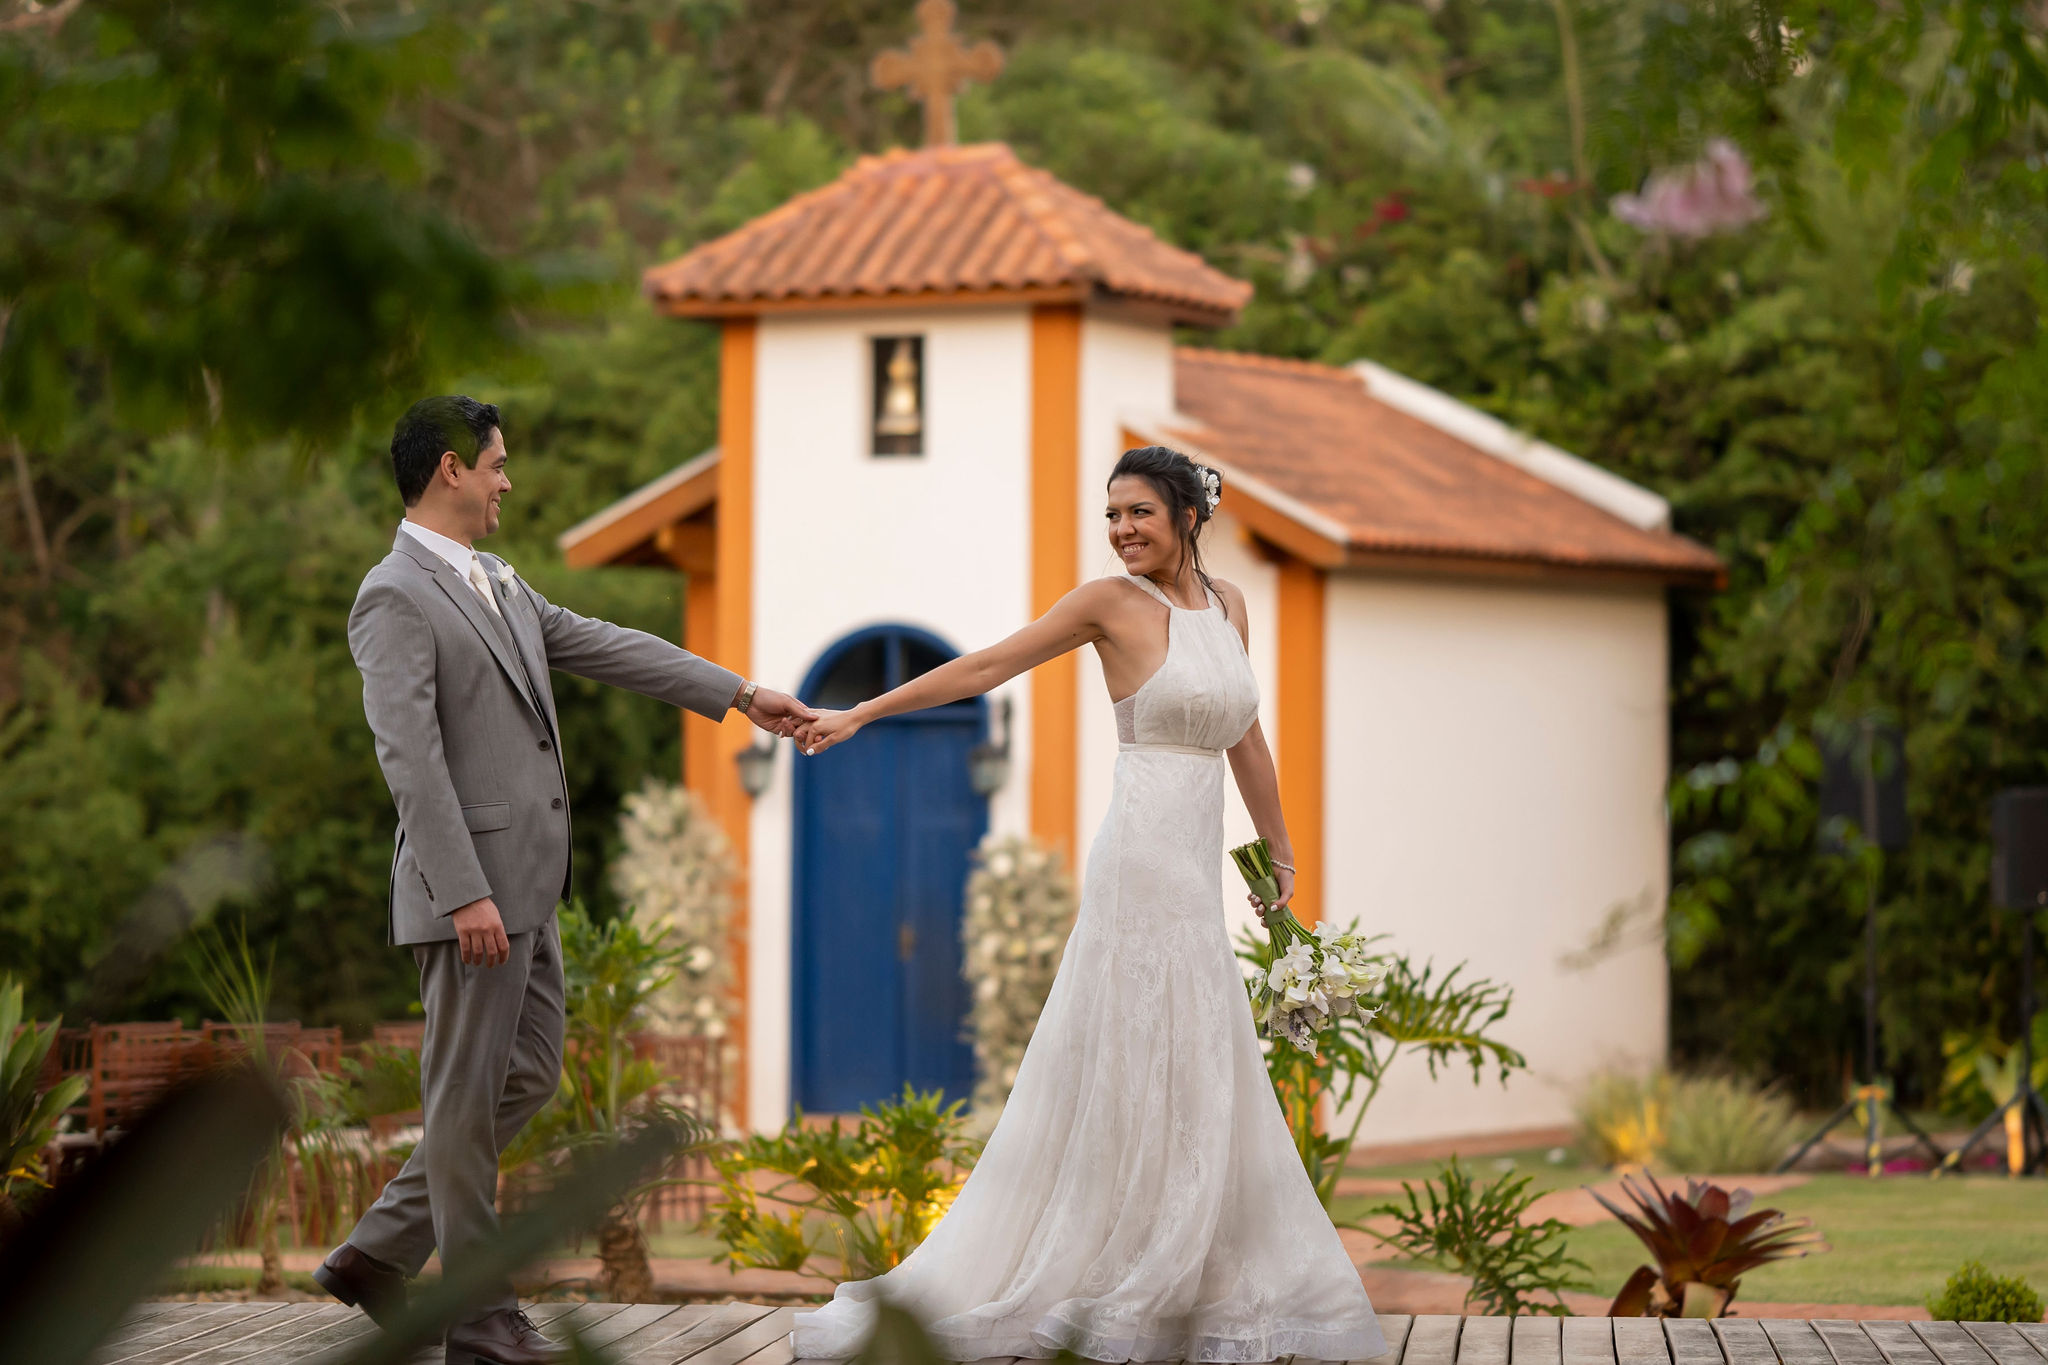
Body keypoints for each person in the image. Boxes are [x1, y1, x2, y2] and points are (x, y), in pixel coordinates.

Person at [788, 446, 1383, 1363]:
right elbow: (987, 666)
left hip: (1200, 853)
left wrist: (1280, 850)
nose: (1121, 531)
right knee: (1137, 1038)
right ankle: (1123, 1265)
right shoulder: (1107, 604)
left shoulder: (1230, 608)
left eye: (1139, 512)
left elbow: (1247, 738)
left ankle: (1187, 1255)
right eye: (1111, 515)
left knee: (1198, 1045)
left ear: (1188, 514)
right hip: (1141, 854)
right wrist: (861, 713)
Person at [316, 396, 813, 1365]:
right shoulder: (392, 595)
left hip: (529, 890)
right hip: (473, 899)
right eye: (497, 465)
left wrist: (742, 693)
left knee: (528, 1074)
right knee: (462, 1102)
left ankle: (377, 1254)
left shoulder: (497, 581)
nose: (508, 482)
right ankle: (478, 1319)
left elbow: (606, 645)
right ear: (451, 469)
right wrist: (463, 893)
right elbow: (408, 759)